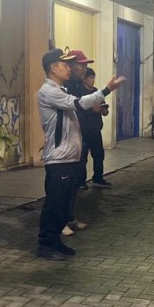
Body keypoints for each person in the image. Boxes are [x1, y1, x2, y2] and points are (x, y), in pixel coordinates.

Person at [37, 49, 125, 260]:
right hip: (59, 159)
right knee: (54, 205)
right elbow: (78, 104)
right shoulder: (48, 91)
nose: (69, 68)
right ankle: (45, 245)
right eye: (64, 65)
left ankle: (56, 242)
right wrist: (107, 89)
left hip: (70, 157)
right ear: (53, 68)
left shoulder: (61, 89)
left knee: (64, 205)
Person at [63, 49, 95, 235]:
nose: (85, 69)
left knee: (75, 182)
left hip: (80, 138)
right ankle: (60, 222)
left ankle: (69, 218)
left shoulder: (78, 85)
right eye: (82, 65)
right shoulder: (63, 87)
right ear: (71, 65)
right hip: (66, 144)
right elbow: (78, 107)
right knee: (63, 186)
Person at [82, 67, 110, 188]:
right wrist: (92, 110)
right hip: (84, 129)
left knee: (98, 154)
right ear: (84, 79)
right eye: (90, 78)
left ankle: (98, 178)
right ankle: (80, 181)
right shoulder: (80, 92)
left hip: (95, 129)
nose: (92, 80)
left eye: (93, 78)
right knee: (82, 157)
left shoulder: (97, 92)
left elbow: (104, 110)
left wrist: (104, 110)